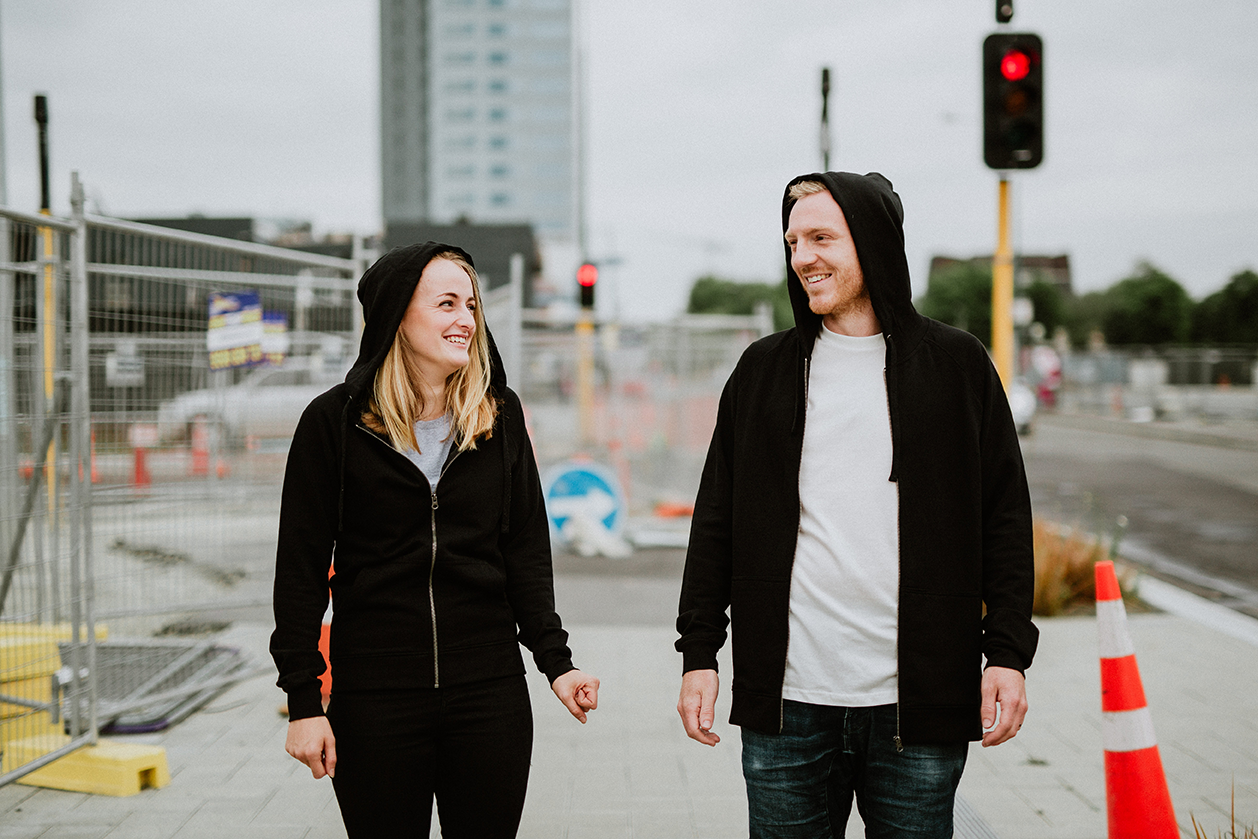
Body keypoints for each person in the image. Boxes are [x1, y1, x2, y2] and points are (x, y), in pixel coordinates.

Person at [675, 172, 1038, 838]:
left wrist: (1007, 654)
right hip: (786, 706)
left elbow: (1005, 521)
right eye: (792, 242)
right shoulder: (763, 372)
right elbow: (716, 522)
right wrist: (699, 653)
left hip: (918, 707)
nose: (802, 257)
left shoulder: (956, 366)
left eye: (820, 237)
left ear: (871, 242)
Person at [271, 242, 599, 838]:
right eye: (446, 304)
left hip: (489, 694)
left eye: (471, 306)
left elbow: (525, 552)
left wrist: (557, 663)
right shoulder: (333, 425)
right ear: (398, 313)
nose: (466, 321)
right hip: (375, 698)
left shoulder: (497, 416)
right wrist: (303, 703)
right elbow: (299, 573)